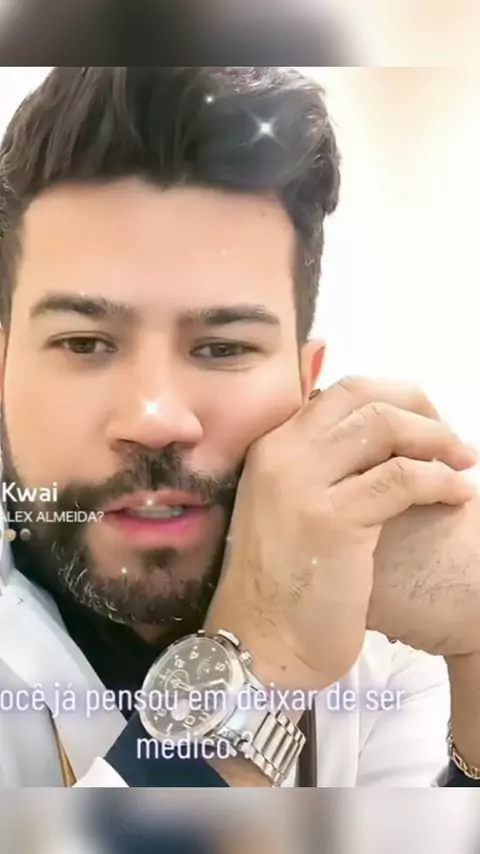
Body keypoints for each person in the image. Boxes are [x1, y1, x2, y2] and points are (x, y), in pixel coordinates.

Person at [0, 66, 479, 789]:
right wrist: (259, 661)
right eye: (85, 343)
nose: (155, 419)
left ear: (306, 384)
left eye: (222, 348)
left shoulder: (381, 616)